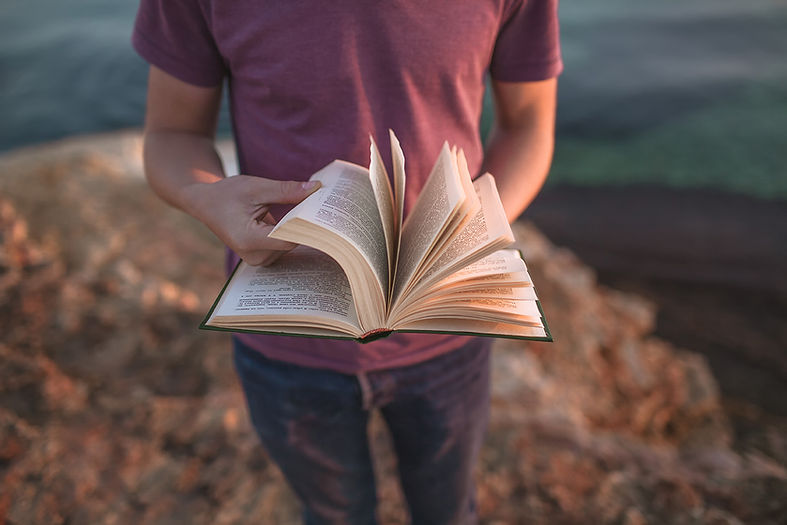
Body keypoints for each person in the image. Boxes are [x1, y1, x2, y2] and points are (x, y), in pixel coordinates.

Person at [132, 1, 561, 523]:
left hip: (444, 325)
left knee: (448, 510)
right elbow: (173, 135)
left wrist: (474, 232)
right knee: (332, 514)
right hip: (287, 333)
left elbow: (528, 126)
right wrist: (204, 196)